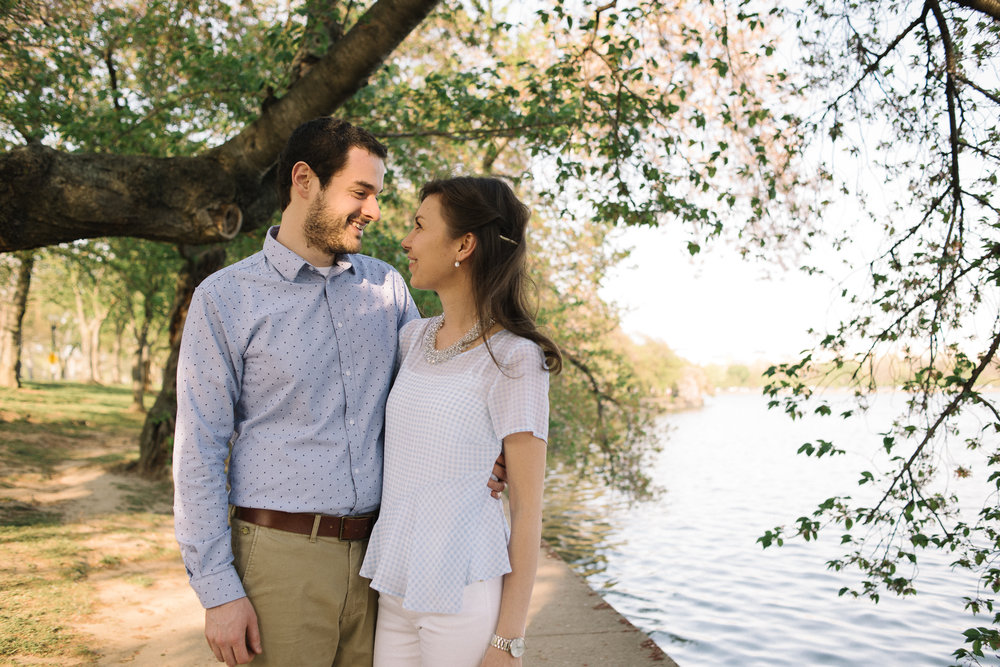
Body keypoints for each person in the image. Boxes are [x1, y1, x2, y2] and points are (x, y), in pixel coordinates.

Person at [172, 117, 504, 667]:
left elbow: (428, 398)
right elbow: (198, 454)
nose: (374, 210)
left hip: (383, 560)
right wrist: (219, 590)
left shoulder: (387, 287)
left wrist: (493, 452)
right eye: (360, 191)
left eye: (376, 193)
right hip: (278, 559)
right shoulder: (225, 299)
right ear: (305, 180)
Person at [360, 176, 562, 666]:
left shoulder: (516, 359)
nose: (405, 241)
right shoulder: (413, 339)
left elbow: (528, 511)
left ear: (464, 244)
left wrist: (507, 641)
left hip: (463, 592)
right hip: (397, 588)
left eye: (419, 225)